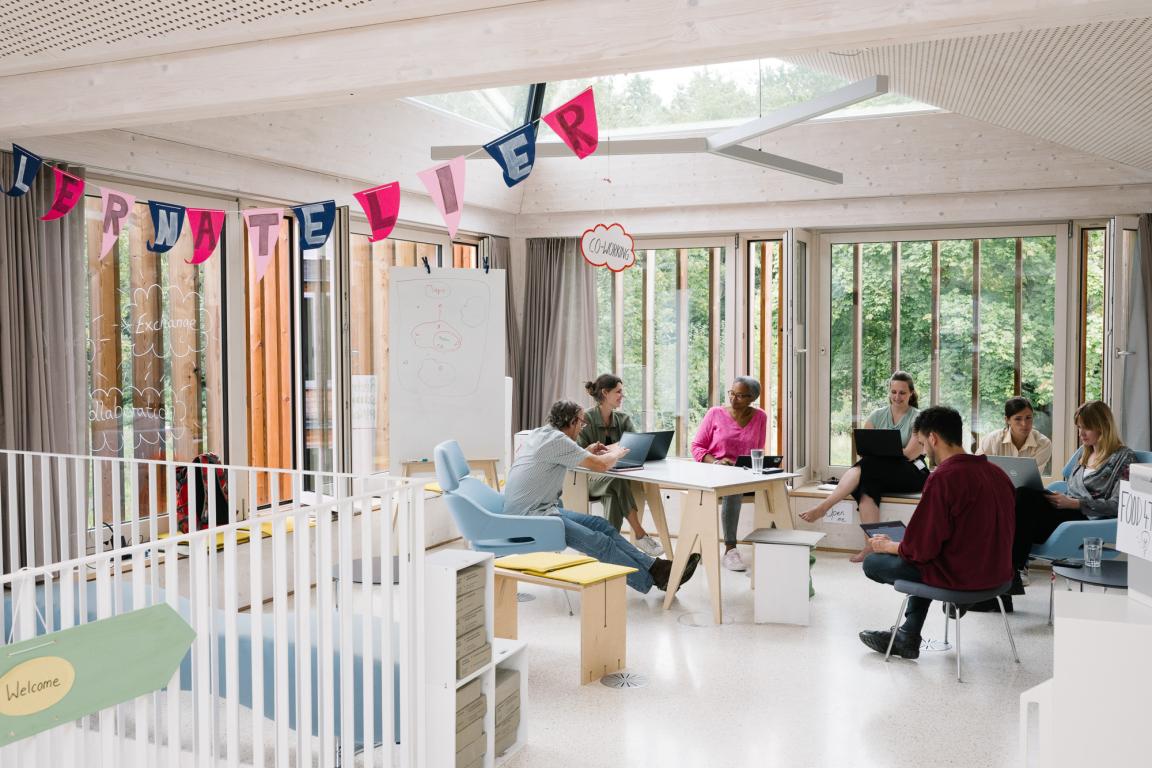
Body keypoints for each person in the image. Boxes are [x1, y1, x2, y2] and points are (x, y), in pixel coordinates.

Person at [858, 406, 1016, 659]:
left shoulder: (944, 477)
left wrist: (887, 546)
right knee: (927, 561)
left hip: (963, 576)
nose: (923, 450)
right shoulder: (997, 473)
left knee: (874, 562)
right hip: (999, 575)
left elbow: (920, 550)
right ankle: (909, 633)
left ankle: (907, 635)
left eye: (921, 443)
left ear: (933, 438)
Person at [504, 400, 701, 594]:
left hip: (539, 509)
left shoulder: (542, 434)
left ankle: (658, 568)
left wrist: (586, 451)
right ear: (572, 422)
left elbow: (559, 458)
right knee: (600, 542)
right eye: (581, 422)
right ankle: (652, 578)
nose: (582, 427)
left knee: (601, 525)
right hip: (532, 517)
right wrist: (618, 453)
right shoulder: (557, 440)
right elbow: (600, 465)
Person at [799, 371, 929, 563]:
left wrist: (883, 453)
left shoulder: (919, 418)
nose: (897, 397)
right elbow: (865, 448)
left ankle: (825, 506)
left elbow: (909, 454)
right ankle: (871, 545)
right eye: (893, 392)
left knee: (868, 466)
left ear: (911, 393)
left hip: (912, 472)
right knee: (867, 485)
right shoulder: (877, 415)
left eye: (902, 393)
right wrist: (885, 453)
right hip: (879, 470)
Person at [1010, 400, 1136, 582]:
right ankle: (1009, 574)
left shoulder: (1123, 458)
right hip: (1066, 509)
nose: (1081, 434)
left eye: (1086, 428)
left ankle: (1009, 575)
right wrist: (1060, 499)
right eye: (1079, 428)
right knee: (1020, 494)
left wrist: (1075, 503)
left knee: (1022, 503)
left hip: (1087, 519)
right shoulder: (1083, 453)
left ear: (1102, 426)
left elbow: (1119, 505)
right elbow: (1070, 488)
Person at [577, 374, 663, 556]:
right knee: (616, 480)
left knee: (613, 492)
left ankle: (607, 546)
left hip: (613, 479)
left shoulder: (623, 419)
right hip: (588, 478)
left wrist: (611, 451)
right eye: (618, 392)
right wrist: (605, 450)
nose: (621, 396)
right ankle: (640, 534)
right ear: (605, 393)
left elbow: (636, 444)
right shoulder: (586, 418)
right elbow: (578, 453)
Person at [690, 376, 767, 572]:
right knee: (734, 487)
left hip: (744, 472)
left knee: (777, 486)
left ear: (752, 398)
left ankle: (774, 547)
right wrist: (716, 462)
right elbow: (697, 447)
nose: (734, 399)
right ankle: (730, 550)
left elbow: (758, 449)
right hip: (715, 471)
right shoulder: (715, 413)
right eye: (732, 393)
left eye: (741, 396)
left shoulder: (760, 417)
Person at [976, 396, 1053, 470]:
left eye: (1028, 418)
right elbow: (977, 468)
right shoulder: (991, 440)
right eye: (1018, 419)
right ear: (1007, 420)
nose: (1024, 424)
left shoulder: (1043, 443)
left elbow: (1029, 478)